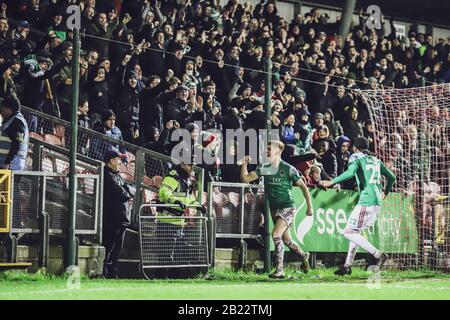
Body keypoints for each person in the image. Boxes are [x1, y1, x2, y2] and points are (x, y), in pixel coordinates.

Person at [320, 137, 396, 275]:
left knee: (348, 232)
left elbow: (350, 173)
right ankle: (347, 266)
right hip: (376, 200)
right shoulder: (375, 160)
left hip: (367, 201)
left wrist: (331, 182)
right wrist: (386, 191)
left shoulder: (356, 157)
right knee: (355, 232)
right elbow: (392, 177)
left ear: (355, 147)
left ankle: (378, 254)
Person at [240, 140, 313, 279]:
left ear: (278, 151)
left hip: (288, 207)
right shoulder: (265, 167)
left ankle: (279, 270)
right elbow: (246, 179)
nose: (267, 151)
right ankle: (304, 255)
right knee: (287, 241)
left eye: (270, 148)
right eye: (266, 148)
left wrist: (309, 207)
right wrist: (244, 164)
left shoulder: (288, 168)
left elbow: (304, 187)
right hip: (274, 209)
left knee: (275, 235)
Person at [102, 149, 136, 278]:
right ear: (111, 160)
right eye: (118, 159)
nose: (120, 162)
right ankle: (104, 272)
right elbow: (122, 194)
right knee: (109, 246)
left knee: (117, 249)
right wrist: (127, 191)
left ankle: (112, 272)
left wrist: (127, 190)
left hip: (121, 217)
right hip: (112, 217)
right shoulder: (107, 175)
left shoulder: (117, 175)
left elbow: (132, 188)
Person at [0, 94, 29, 170]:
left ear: (9, 109)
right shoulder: (13, 119)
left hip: (12, 166)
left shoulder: (17, 121)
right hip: (10, 164)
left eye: (2, 108)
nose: (1, 111)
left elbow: (17, 143)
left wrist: (8, 162)